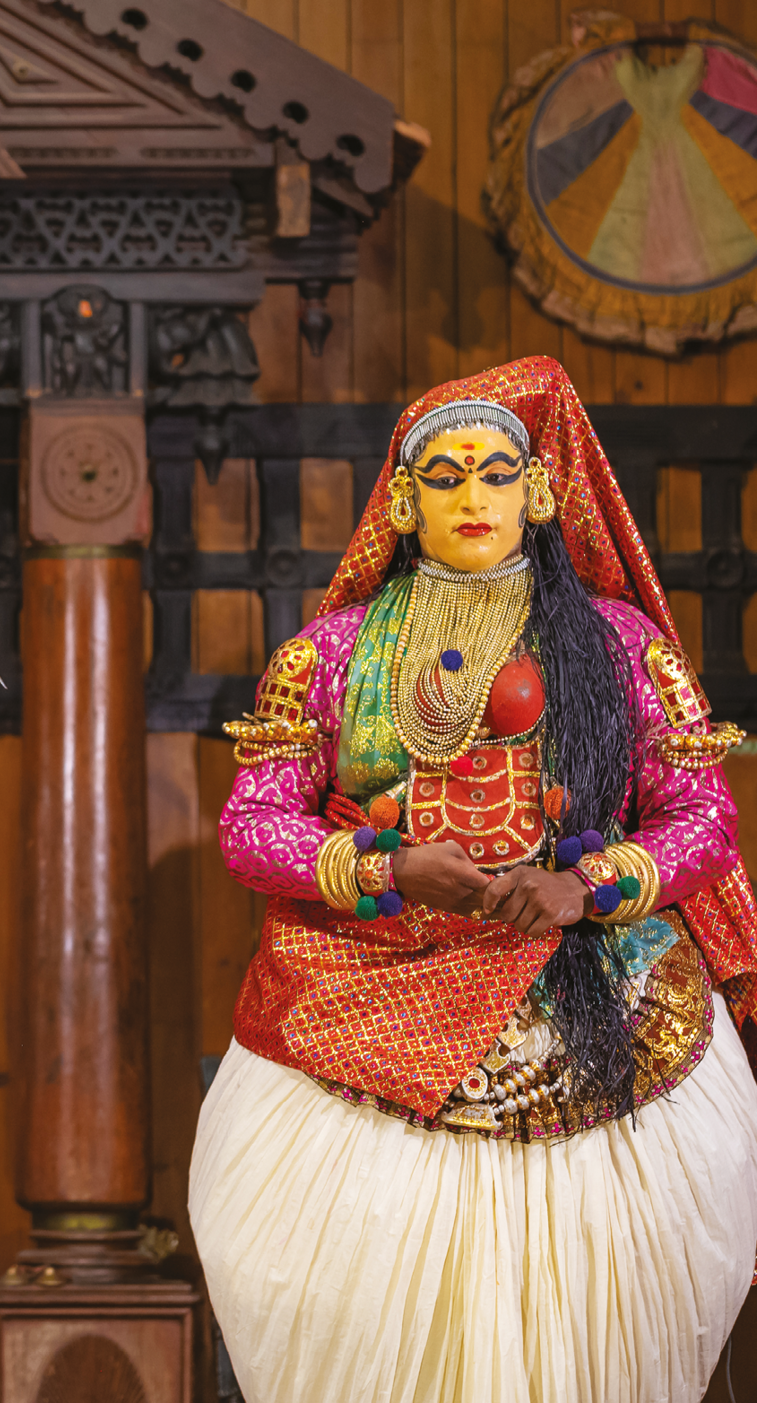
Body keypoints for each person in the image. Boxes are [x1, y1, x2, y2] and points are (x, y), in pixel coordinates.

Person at [194, 356, 757, 1402]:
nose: (472, 498)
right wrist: (388, 864)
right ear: (404, 501)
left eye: (497, 473)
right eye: (445, 476)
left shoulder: (623, 647)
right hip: (366, 999)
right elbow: (251, 824)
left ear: (539, 491)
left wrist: (583, 889)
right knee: (333, 1295)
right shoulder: (327, 653)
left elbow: (705, 819)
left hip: (596, 994)